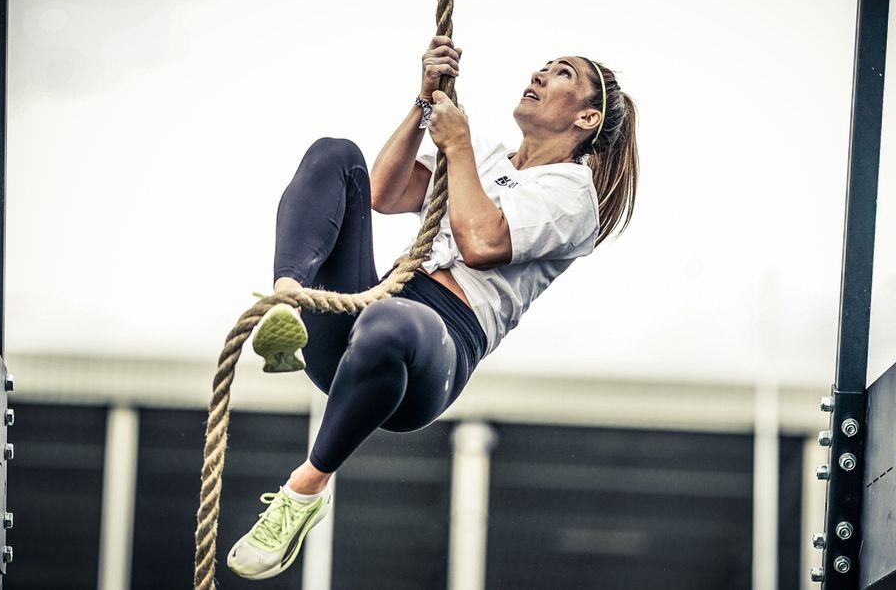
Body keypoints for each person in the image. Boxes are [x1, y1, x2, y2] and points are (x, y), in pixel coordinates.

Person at [226, 36, 639, 580]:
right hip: (370, 315)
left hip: (430, 351)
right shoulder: (488, 153)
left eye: (561, 73)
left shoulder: (574, 193)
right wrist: (423, 103)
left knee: (391, 321)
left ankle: (305, 488)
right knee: (336, 155)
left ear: (586, 117)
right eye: (544, 66)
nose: (540, 74)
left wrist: (459, 148)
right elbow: (383, 192)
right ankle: (289, 301)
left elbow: (482, 244)